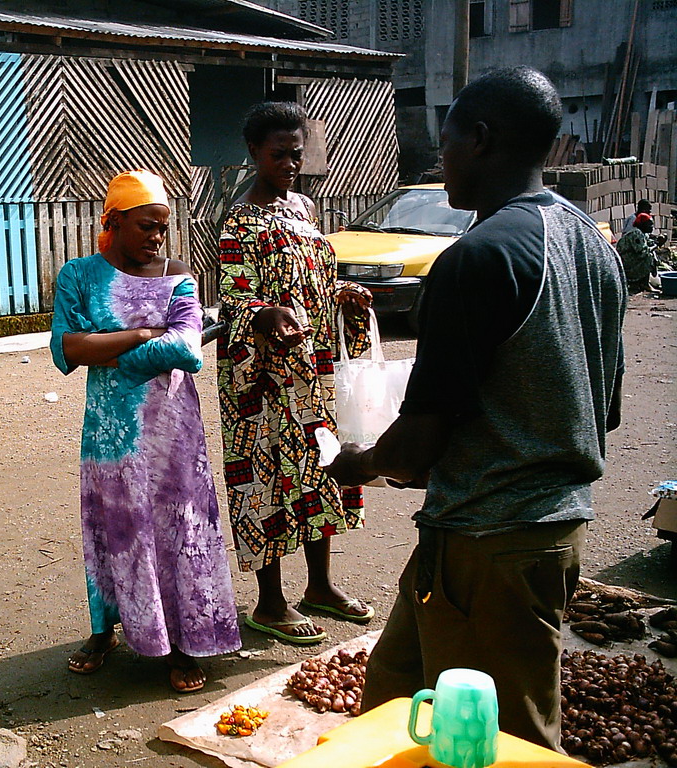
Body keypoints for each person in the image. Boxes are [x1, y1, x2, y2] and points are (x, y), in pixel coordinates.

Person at [327, 66, 625, 752]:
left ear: (482, 140)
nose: (442, 159)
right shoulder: (590, 243)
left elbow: (418, 445)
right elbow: (600, 410)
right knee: (391, 702)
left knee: (507, 742)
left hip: (493, 543)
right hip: (510, 531)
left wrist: (360, 463)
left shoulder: (474, 260)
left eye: (447, 142)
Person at [50, 170, 241, 693]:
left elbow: (185, 351)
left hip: (173, 432)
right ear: (112, 222)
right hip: (111, 436)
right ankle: (105, 631)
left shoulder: (178, 275)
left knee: (178, 528)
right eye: (145, 226)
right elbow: (65, 350)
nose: (157, 237)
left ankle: (182, 643)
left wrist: (109, 347)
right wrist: (144, 333)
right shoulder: (79, 276)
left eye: (163, 227)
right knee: (114, 527)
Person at [217, 102, 375, 646]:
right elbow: (234, 301)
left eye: (297, 154)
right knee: (266, 483)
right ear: (254, 154)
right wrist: (265, 313)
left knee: (319, 472)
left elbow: (312, 281)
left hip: (313, 373)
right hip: (263, 383)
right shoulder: (239, 219)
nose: (289, 163)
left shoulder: (304, 207)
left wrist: (342, 295)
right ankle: (269, 601)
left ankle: (320, 587)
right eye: (278, 154)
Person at [616, 212, 657, 293]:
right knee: (649, 256)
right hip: (625, 262)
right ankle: (643, 283)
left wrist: (656, 242)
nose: (652, 227)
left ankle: (641, 283)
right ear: (642, 224)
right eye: (650, 224)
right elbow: (642, 252)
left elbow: (649, 243)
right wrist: (657, 245)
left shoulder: (642, 234)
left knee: (651, 254)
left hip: (629, 259)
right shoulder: (636, 233)